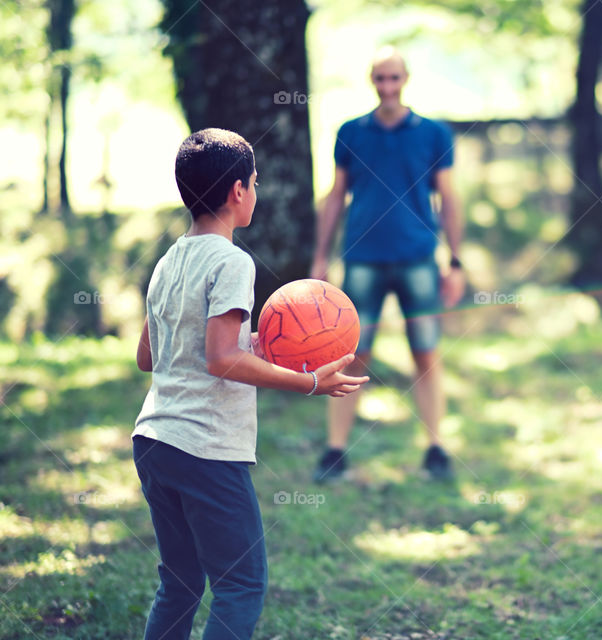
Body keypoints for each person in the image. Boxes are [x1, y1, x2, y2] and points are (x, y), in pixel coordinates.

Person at [133, 128, 368, 640]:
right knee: (241, 584)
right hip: (205, 448)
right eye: (255, 183)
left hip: (153, 440)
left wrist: (249, 342)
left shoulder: (168, 262)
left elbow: (149, 356)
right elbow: (220, 359)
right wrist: (306, 382)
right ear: (238, 191)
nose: (255, 194)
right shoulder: (232, 261)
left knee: (179, 584)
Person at [310, 47, 465, 483]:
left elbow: (450, 198)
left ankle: (436, 449)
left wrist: (455, 261)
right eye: (381, 78)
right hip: (362, 258)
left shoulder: (434, 133)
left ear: (406, 79)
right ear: (372, 81)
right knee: (351, 354)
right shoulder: (351, 133)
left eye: (394, 78)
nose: (388, 86)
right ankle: (335, 451)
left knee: (427, 353)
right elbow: (335, 196)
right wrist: (320, 257)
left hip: (418, 258)